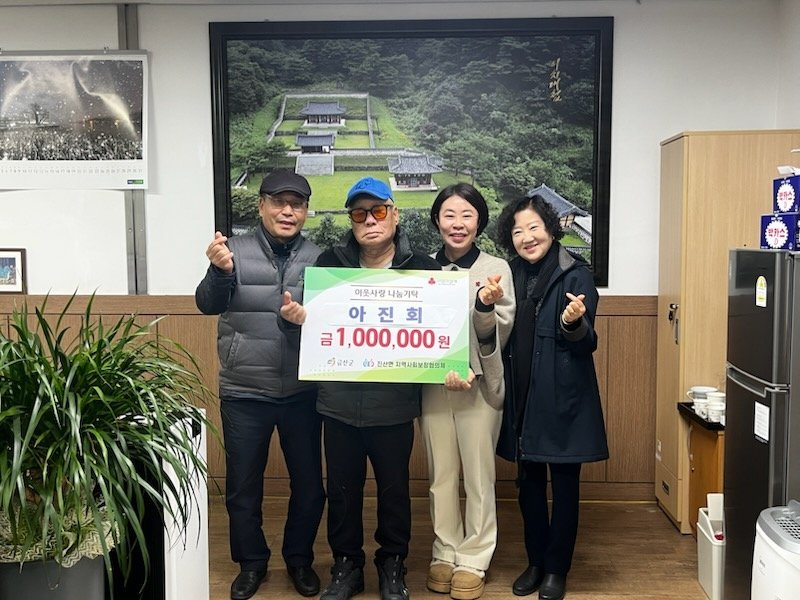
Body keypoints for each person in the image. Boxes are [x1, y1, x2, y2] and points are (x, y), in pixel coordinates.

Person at [282, 176, 441, 600]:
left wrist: (451, 367)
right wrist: (295, 322)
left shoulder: (423, 268)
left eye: (378, 211)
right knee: (342, 493)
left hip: (394, 406)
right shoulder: (329, 266)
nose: (370, 221)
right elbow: (312, 334)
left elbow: (441, 336)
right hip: (338, 404)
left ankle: (393, 564)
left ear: (395, 214)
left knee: (394, 493)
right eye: (359, 214)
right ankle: (347, 566)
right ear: (351, 221)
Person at [195, 170, 326, 600]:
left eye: (297, 204)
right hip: (244, 390)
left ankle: (299, 559)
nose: (288, 211)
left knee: (310, 486)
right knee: (243, 488)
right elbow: (207, 304)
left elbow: (331, 326)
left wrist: (302, 322)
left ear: (305, 211)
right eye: (278, 202)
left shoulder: (320, 258)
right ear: (262, 205)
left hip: (303, 392)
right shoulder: (232, 250)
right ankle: (251, 563)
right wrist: (220, 272)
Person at [495, 194, 609, 600]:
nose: (527, 237)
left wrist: (572, 322)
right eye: (518, 231)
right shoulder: (509, 274)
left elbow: (586, 342)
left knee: (564, 487)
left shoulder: (575, 274)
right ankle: (535, 562)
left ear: (550, 229)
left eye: (534, 228)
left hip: (563, 399)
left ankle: (557, 569)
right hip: (522, 397)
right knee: (527, 485)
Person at [419, 183, 516, 600]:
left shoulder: (496, 268)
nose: (457, 224)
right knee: (440, 474)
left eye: (467, 215)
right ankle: (444, 549)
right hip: (432, 386)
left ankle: (475, 555)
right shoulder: (421, 268)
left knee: (479, 475)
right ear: (436, 220)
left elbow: (499, 333)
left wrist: (485, 306)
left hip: (478, 386)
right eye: (449, 215)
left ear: (480, 221)